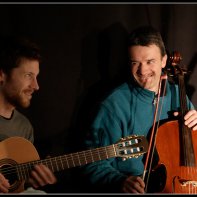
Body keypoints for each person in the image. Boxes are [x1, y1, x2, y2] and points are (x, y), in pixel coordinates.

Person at [77, 26, 197, 193]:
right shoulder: (113, 105)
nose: (142, 71)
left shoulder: (178, 96)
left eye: (150, 61)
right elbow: (90, 161)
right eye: (135, 63)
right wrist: (120, 181)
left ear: (163, 60)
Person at [0, 35, 57, 193]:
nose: (36, 86)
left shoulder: (24, 127)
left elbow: (18, 187)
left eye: (36, 77)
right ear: (2, 74)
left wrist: (31, 180)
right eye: (28, 76)